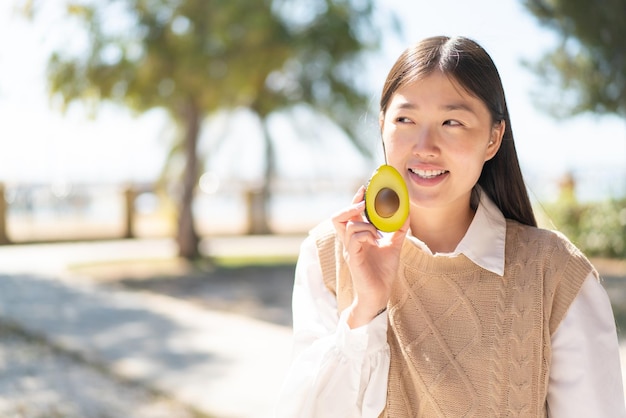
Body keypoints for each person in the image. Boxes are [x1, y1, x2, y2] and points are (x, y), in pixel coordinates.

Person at [275, 35, 626, 417]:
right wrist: (365, 310)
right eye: (405, 119)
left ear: (493, 138)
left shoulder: (554, 273)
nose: (425, 146)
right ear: (382, 125)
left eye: (452, 122)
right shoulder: (329, 254)